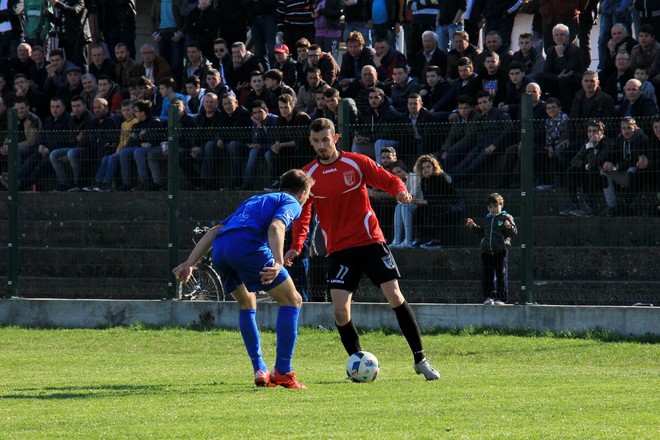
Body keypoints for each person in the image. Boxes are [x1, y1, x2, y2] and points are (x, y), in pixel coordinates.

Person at [284, 118, 440, 381]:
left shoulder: (357, 162)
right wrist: (296, 246)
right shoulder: (308, 175)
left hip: (370, 242)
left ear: (335, 138)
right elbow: (303, 214)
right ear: (310, 142)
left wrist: (400, 191)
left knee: (394, 295)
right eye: (316, 141)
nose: (322, 145)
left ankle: (420, 359)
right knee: (340, 310)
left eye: (326, 139)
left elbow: (389, 180)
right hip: (340, 250)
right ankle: (357, 365)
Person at [173, 169, 314, 389]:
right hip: (247, 247)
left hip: (222, 251)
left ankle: (260, 369)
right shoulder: (291, 201)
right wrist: (277, 262)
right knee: (292, 300)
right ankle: (284, 372)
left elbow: (216, 230)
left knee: (247, 303)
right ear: (303, 193)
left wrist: (190, 262)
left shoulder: (255, 200)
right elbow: (276, 227)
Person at [466, 193, 517, 306]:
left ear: (501, 205)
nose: (492, 209)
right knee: (487, 275)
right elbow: (481, 232)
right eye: (490, 207)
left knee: (500, 274)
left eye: (495, 206)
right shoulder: (487, 219)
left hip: (500, 250)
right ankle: (489, 297)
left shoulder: (506, 217)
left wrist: (509, 227)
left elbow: (513, 233)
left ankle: (501, 298)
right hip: (486, 251)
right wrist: (473, 226)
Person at [414, 154, 465, 249]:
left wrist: (422, 202)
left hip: (456, 207)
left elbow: (438, 199)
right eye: (423, 168)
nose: (426, 169)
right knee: (419, 210)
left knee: (436, 207)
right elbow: (429, 200)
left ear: (434, 167)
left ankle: (436, 241)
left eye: (428, 167)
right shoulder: (424, 181)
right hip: (442, 206)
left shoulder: (439, 178)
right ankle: (418, 239)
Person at [389, 160, 422, 248]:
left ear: (404, 170)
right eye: (394, 173)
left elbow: (413, 197)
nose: (397, 175)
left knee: (404, 207)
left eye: (399, 172)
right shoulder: (397, 182)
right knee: (398, 207)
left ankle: (408, 241)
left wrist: (404, 199)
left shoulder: (414, 177)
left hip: (419, 204)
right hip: (407, 204)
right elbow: (399, 200)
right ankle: (396, 240)